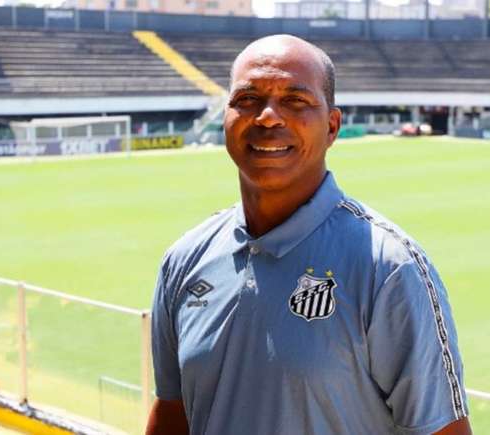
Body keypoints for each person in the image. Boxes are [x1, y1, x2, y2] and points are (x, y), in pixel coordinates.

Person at [147, 34, 471, 435]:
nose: (267, 117)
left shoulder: (389, 268)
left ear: (332, 126)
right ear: (226, 118)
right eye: (247, 100)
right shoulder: (184, 259)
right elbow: (171, 414)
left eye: (296, 101)